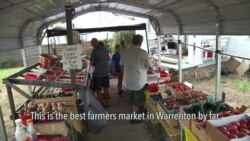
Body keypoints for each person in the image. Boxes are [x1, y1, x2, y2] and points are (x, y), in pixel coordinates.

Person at [120, 34, 154, 124]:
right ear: (141, 42)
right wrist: (150, 70)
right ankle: (135, 118)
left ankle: (131, 116)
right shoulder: (143, 52)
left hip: (127, 81)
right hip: (139, 81)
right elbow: (151, 68)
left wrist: (125, 76)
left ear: (132, 41)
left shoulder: (124, 52)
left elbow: (122, 67)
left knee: (130, 101)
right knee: (137, 102)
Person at [90, 38, 110, 108]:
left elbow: (91, 63)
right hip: (105, 72)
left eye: (92, 44)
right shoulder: (104, 49)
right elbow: (108, 58)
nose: (91, 45)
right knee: (106, 88)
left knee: (98, 89)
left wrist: (89, 70)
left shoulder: (94, 51)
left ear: (95, 43)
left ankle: (101, 104)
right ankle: (107, 102)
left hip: (98, 73)